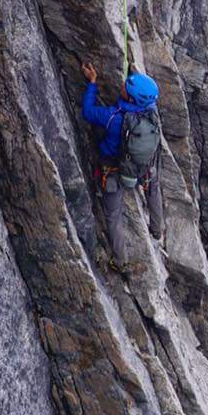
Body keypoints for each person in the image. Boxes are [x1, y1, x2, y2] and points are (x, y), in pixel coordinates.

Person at [81, 62, 164, 271]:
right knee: (153, 189)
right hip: (143, 167)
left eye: (126, 87)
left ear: (130, 97)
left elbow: (88, 112)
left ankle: (120, 261)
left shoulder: (113, 117)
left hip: (114, 170)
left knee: (114, 215)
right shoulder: (151, 109)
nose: (122, 86)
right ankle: (157, 228)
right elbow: (143, 91)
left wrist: (92, 83)